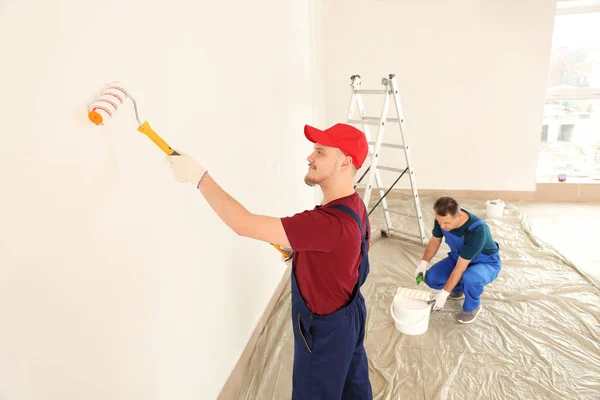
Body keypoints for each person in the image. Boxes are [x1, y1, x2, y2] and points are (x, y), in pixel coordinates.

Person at [166, 123, 373, 399]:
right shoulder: (353, 204)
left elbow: (243, 223)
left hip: (325, 333)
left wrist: (199, 177)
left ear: (345, 162)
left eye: (320, 152)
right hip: (351, 315)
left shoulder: (327, 224)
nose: (310, 157)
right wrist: (303, 256)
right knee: (353, 388)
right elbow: (346, 256)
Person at [416, 196, 501, 324]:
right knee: (432, 278)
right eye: (440, 222)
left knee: (471, 278)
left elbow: (460, 267)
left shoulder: (478, 230)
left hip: (485, 262)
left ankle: (473, 306)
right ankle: (458, 289)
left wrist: (444, 293)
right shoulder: (442, 218)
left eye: (446, 223)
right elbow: (435, 241)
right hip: (459, 257)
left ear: (459, 215)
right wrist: (423, 263)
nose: (442, 226)